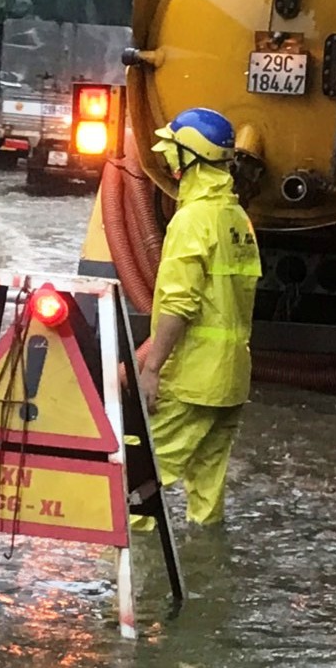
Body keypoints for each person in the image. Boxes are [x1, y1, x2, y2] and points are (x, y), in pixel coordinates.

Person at [135, 107, 260, 530]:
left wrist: (151, 368)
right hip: (230, 382)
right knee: (206, 501)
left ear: (190, 157)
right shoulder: (237, 219)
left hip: (191, 382)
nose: (168, 163)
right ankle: (205, 573)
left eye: (173, 154)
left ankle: (127, 583)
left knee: (138, 486)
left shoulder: (193, 220)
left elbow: (178, 304)